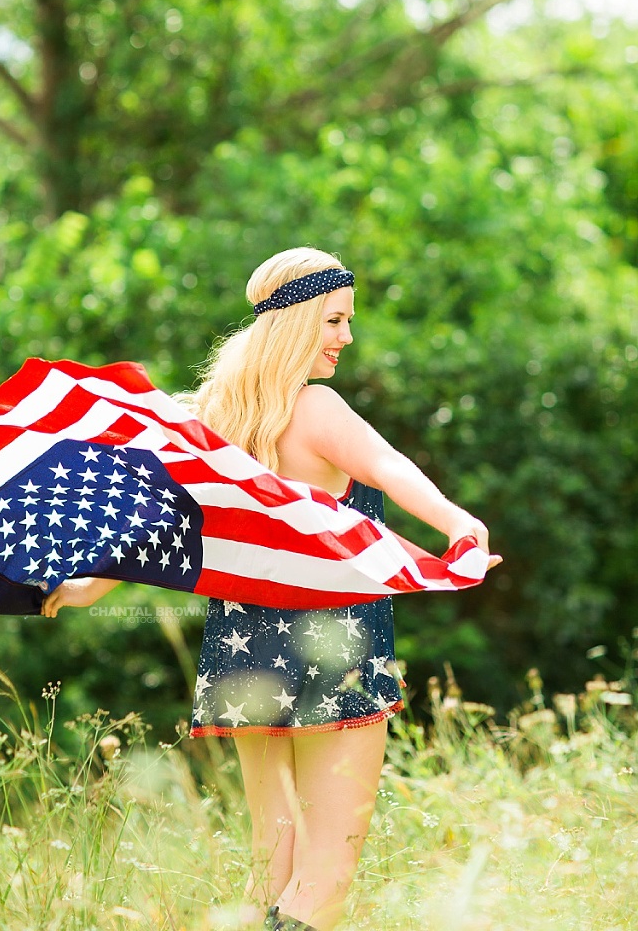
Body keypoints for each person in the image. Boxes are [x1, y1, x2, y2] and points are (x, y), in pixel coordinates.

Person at [42, 247, 495, 931]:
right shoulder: (315, 407)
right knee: (325, 882)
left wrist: (88, 589)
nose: (346, 336)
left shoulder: (215, 419)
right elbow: (388, 466)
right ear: (297, 320)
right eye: (335, 319)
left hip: (244, 658)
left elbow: (165, 520)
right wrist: (461, 525)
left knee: (271, 874)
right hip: (332, 652)